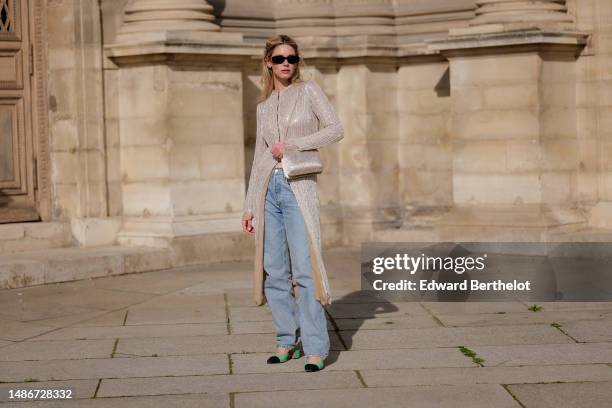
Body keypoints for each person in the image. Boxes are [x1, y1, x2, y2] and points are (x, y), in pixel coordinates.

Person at [241, 34, 344, 372]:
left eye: (292, 59)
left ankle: (315, 347)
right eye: (280, 59)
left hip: (298, 187)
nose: (287, 64)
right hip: (268, 190)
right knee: (275, 270)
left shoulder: (308, 91)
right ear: (268, 62)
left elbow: (335, 129)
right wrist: (249, 206)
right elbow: (259, 157)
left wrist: (294, 144)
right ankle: (287, 340)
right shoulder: (263, 106)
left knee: (305, 269)